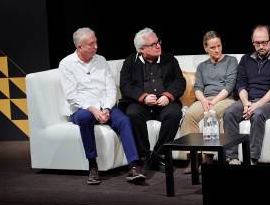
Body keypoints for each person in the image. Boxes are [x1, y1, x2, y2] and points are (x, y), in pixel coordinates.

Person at [59, 27, 145, 185]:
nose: (96, 46)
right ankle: (93, 166)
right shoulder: (66, 64)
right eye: (91, 44)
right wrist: (93, 110)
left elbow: (111, 88)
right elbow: (71, 95)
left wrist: (105, 108)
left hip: (104, 107)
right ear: (80, 47)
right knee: (85, 118)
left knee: (124, 120)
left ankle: (134, 166)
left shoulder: (101, 60)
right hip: (82, 109)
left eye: (96, 42)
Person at [119, 28, 186, 172]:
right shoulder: (130, 62)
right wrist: (142, 97)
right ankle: (144, 156)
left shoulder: (169, 59)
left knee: (174, 113)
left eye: (158, 42)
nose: (158, 46)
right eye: (153, 44)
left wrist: (168, 96)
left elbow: (180, 81)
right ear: (142, 49)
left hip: (164, 104)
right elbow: (126, 85)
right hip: (140, 104)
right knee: (132, 113)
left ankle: (159, 155)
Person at [223, 25, 270, 164]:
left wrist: (256, 105)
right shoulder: (246, 59)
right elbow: (241, 84)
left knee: (257, 114)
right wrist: (246, 103)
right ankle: (232, 157)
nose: (260, 46)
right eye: (257, 43)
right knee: (229, 113)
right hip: (249, 100)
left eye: (264, 42)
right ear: (253, 42)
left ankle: (252, 158)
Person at [180, 31, 238, 174]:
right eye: (213, 47)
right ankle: (194, 158)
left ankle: (208, 158)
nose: (217, 50)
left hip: (225, 99)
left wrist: (214, 101)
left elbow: (229, 85)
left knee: (210, 114)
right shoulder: (202, 66)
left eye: (219, 45)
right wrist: (204, 100)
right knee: (189, 115)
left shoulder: (231, 61)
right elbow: (198, 87)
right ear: (206, 48)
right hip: (205, 99)